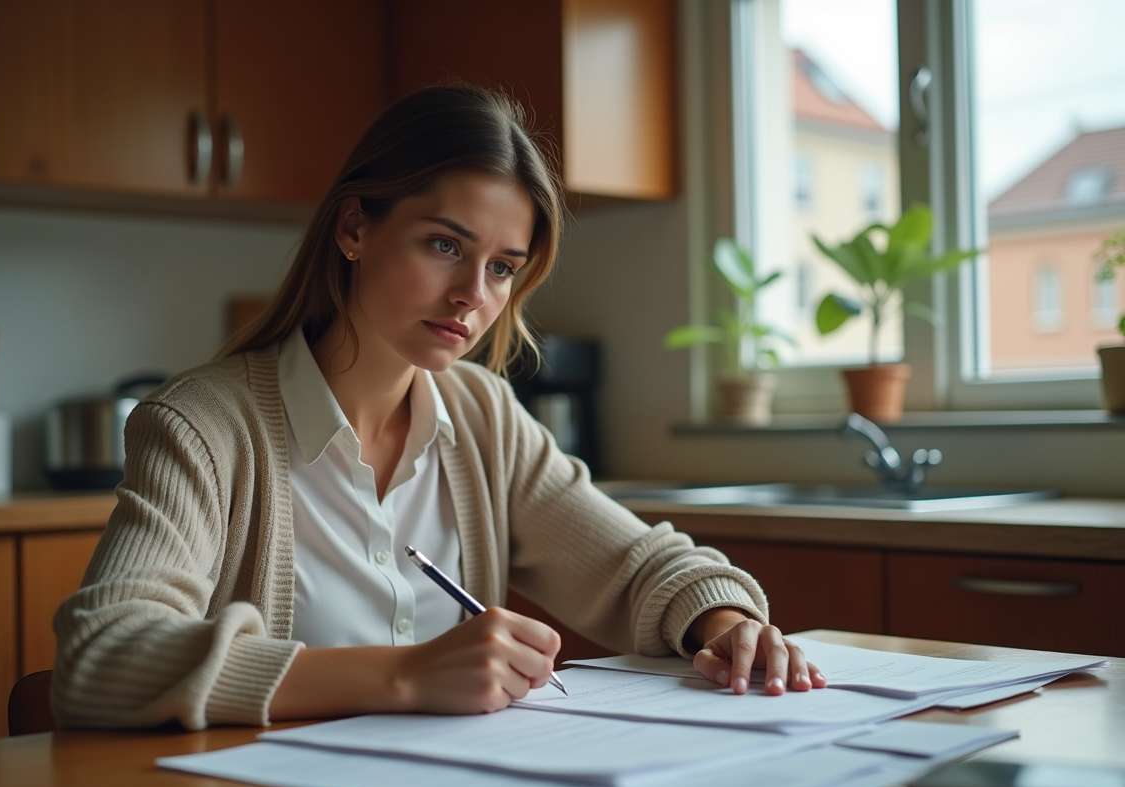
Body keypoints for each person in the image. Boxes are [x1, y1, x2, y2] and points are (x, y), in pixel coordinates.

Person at [52, 84, 825, 731]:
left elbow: (635, 568)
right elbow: (102, 657)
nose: (472, 296)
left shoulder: (484, 417)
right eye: (445, 246)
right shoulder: (203, 426)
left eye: (502, 268)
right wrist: (406, 675)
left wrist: (728, 627)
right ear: (354, 228)